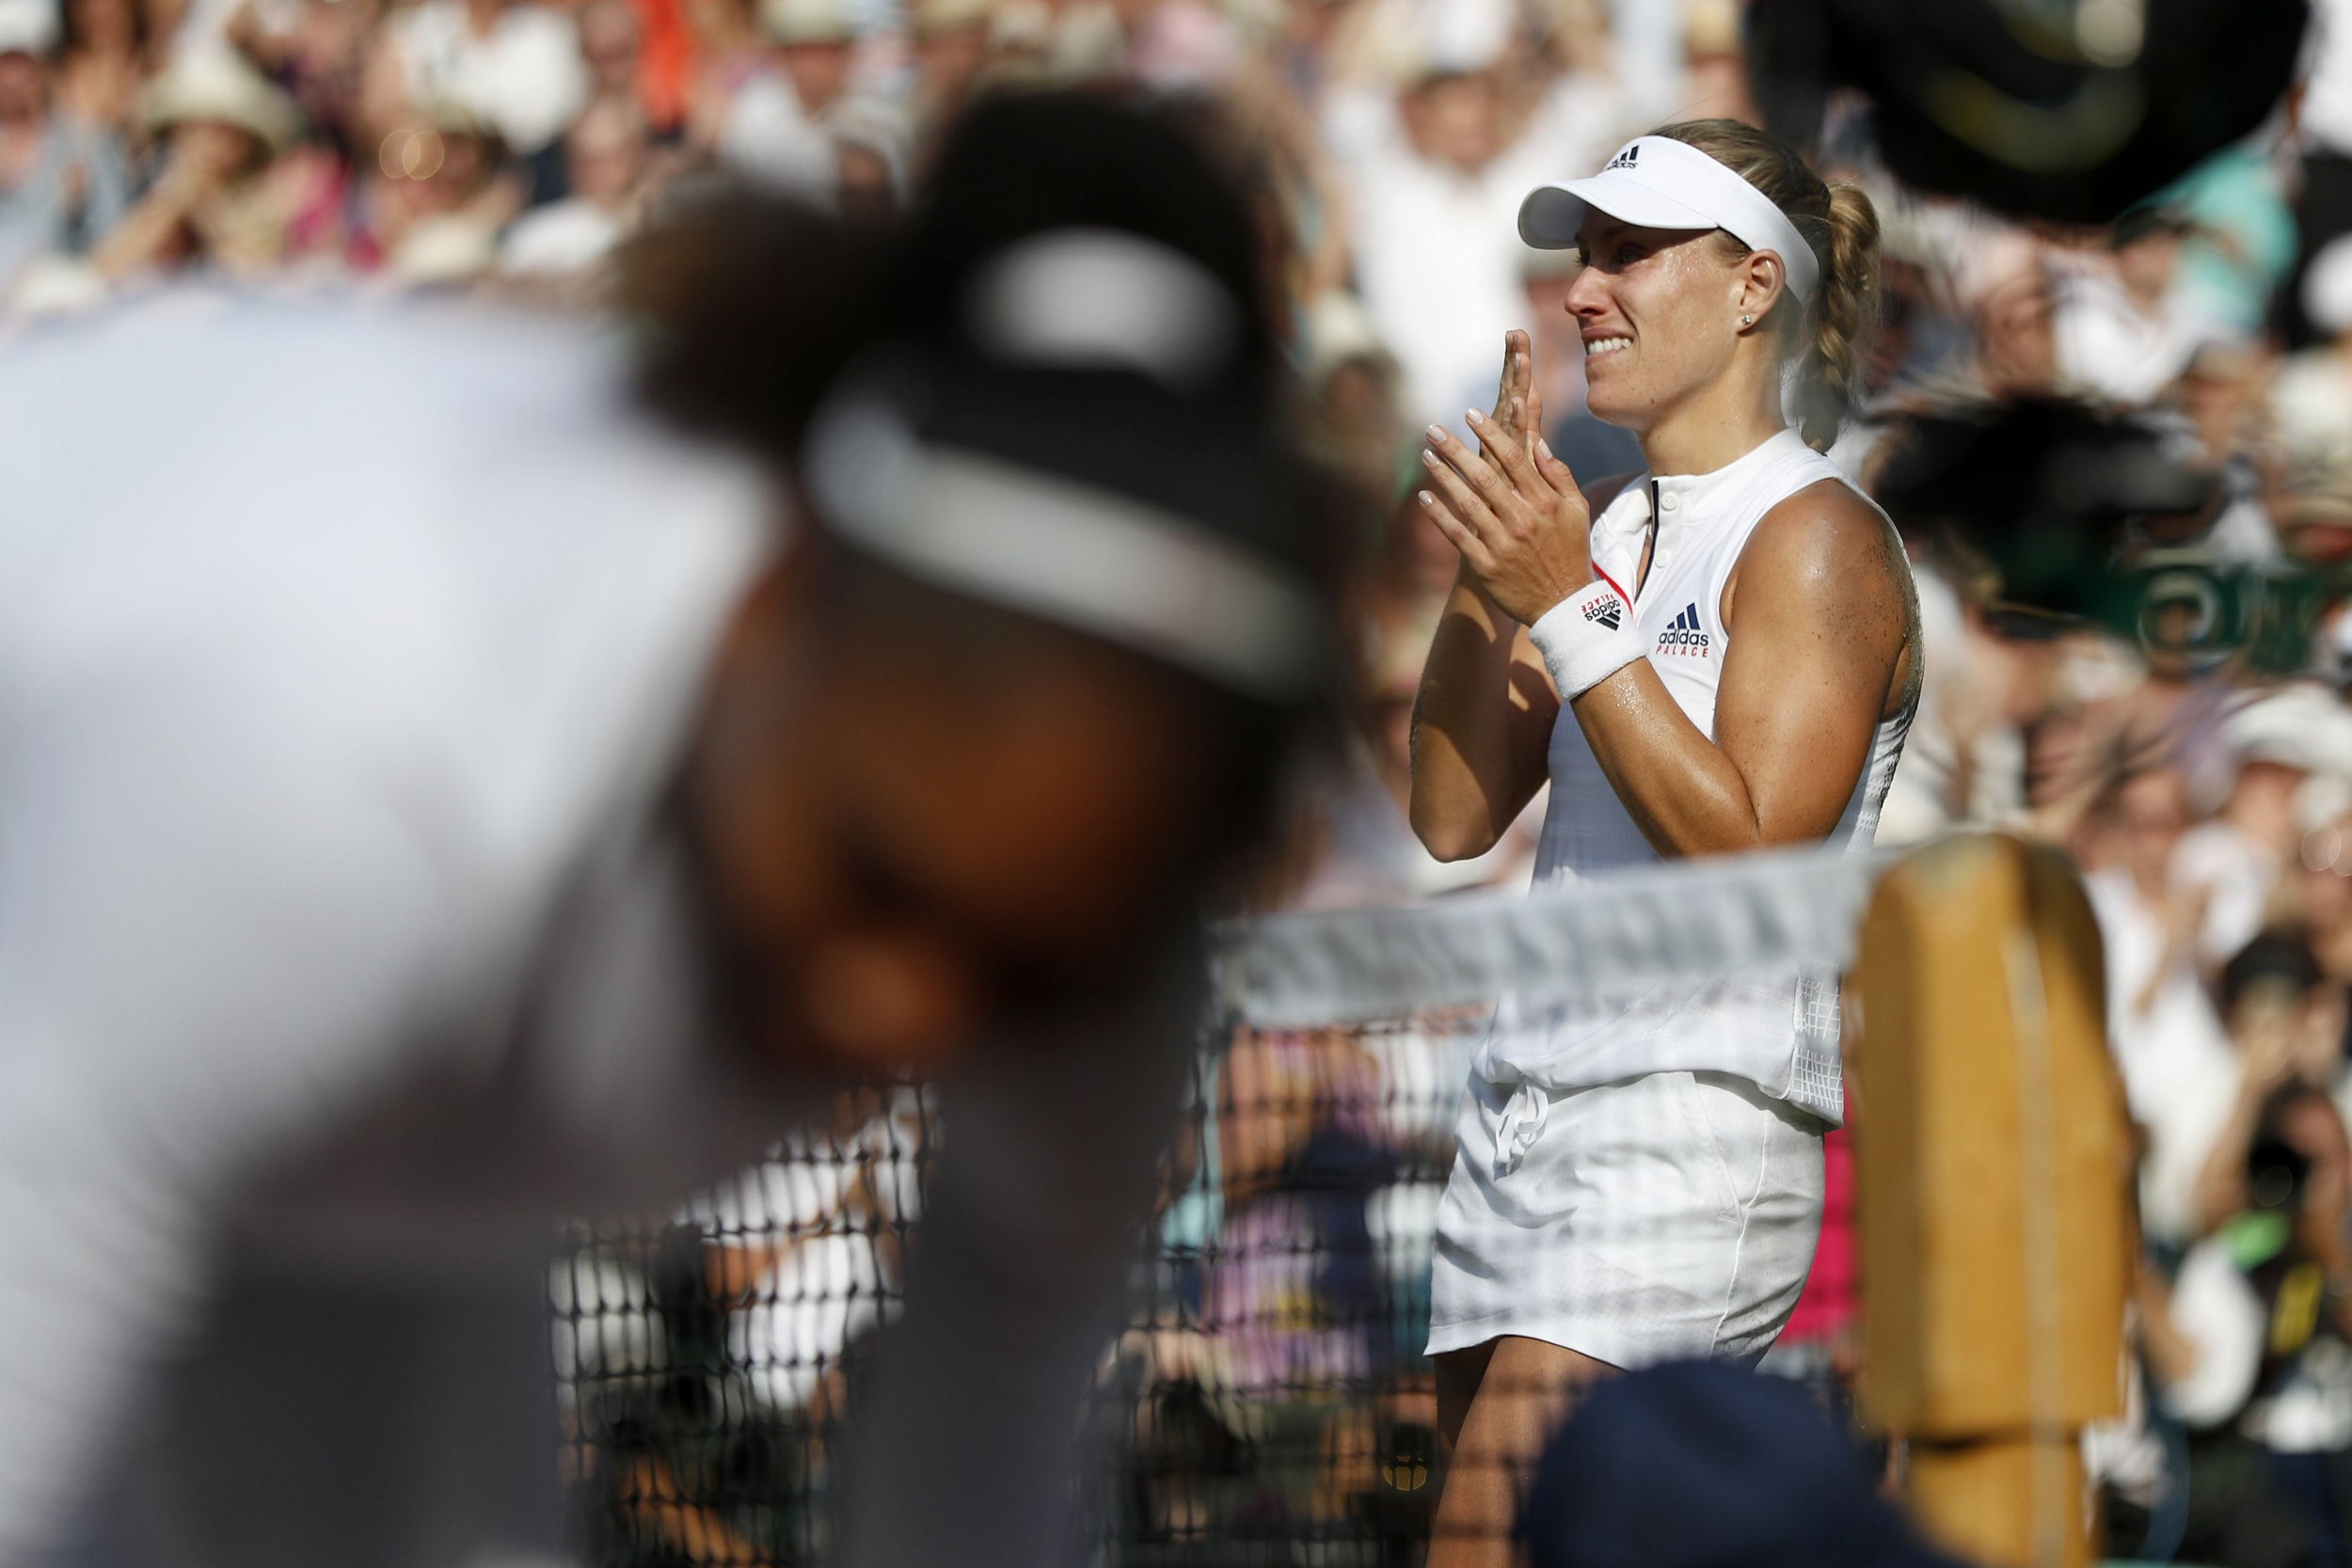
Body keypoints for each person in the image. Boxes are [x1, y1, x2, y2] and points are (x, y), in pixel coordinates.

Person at [0, 90, 1332, 1568]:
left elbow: (979, 1464)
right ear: (764, 606)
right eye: (869, 873)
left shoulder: (1085, 909)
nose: (894, 1003)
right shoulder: (337, 751)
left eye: (1014, 970)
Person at [1406, 118, 1919, 1563]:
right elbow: (1449, 814)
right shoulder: (1609, 525)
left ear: (1756, 286)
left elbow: (1753, 854)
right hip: (1523, 1118)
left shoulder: (1818, 535)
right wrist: (1491, 566)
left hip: (1686, 1133)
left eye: (1632, 251)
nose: (1584, 289)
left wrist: (1559, 596)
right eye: (1586, 253)